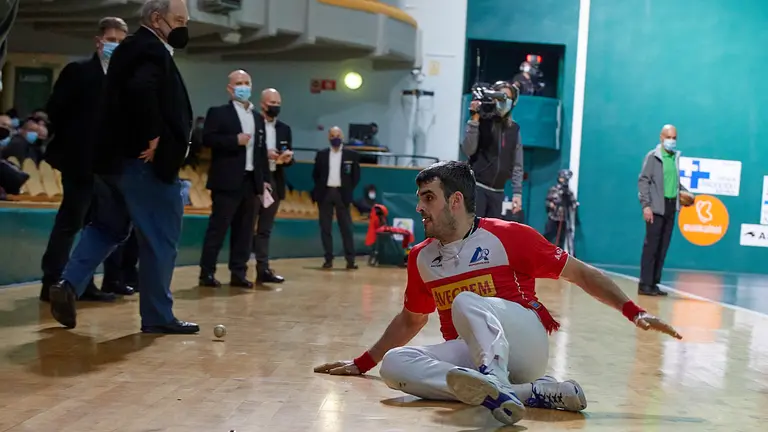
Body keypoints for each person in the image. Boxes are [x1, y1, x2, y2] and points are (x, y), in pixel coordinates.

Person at [314, 161, 682, 426]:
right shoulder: (421, 257)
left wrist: (634, 311)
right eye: (420, 198)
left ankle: (495, 378)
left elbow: (581, 274)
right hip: (470, 353)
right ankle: (527, 393)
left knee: (465, 301)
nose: (419, 207)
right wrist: (363, 363)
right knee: (395, 364)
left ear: (455, 201)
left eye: (428, 198)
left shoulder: (509, 236)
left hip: (524, 343)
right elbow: (412, 319)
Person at [48, 0, 199, 334]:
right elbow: (141, 89)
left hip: (111, 164)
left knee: (107, 227)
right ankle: (158, 316)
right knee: (160, 238)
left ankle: (68, 283)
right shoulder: (149, 49)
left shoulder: (129, 49)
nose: (184, 27)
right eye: (179, 20)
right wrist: (153, 135)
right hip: (142, 164)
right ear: (157, 19)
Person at [40, 17, 134, 303]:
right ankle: (51, 282)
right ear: (98, 41)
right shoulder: (78, 71)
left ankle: (82, 283)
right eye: (111, 40)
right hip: (79, 161)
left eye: (121, 41)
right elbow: (56, 110)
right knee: (71, 222)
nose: (116, 45)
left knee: (97, 226)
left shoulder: (125, 78)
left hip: (108, 166)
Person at [198, 70, 270, 289]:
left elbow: (261, 152)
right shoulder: (218, 113)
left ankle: (238, 273)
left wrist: (264, 180)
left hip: (251, 181)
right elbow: (207, 139)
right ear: (230, 88)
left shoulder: (258, 118)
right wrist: (234, 140)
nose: (243, 87)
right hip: (226, 180)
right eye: (239, 83)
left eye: (247, 83)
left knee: (245, 231)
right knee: (218, 229)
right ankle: (207, 272)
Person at [638, 124, 692, 297]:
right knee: (651, 247)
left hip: (670, 206)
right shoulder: (653, 157)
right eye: (669, 137)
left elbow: (674, 182)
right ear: (661, 137)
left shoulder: (675, 158)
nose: (672, 141)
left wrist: (686, 194)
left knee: (662, 247)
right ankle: (644, 284)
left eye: (674, 138)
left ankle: (654, 283)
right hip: (656, 207)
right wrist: (646, 205)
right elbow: (643, 181)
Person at [462, 81, 523, 219]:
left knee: (491, 231)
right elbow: (468, 150)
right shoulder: (482, 122)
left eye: (508, 98)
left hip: (498, 192)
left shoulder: (514, 129)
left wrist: (517, 193)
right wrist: (474, 120)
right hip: (477, 188)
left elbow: (517, 165)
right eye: (501, 97)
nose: (504, 101)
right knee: (473, 230)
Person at [252, 88, 293, 284]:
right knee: (247, 226)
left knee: (265, 229)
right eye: (272, 103)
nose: (275, 106)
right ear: (263, 104)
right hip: (254, 179)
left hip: (275, 179)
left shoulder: (284, 129)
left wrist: (286, 159)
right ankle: (239, 270)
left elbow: (289, 154)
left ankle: (263, 269)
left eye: (278, 103)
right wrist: (265, 154)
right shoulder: (253, 123)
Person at [312, 126, 360, 269]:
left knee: (346, 228)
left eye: (338, 135)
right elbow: (315, 175)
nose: (335, 138)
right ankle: (328, 259)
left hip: (342, 194)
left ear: (342, 137)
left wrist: (347, 189)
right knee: (325, 228)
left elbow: (356, 176)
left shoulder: (351, 155)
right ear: (328, 137)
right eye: (332, 136)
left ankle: (350, 260)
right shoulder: (321, 154)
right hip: (325, 193)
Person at [543, 168, 578, 249]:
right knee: (548, 235)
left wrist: (573, 205)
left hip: (563, 219)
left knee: (561, 240)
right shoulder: (553, 189)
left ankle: (558, 254)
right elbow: (547, 201)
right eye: (563, 178)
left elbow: (573, 203)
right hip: (553, 217)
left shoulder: (569, 192)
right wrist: (551, 205)